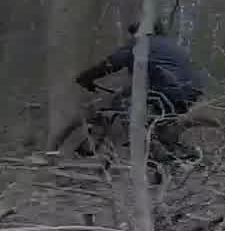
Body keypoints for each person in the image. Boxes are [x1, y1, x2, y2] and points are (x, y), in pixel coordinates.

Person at [70, 22, 209, 153]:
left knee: (123, 104)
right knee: (159, 124)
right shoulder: (171, 45)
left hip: (168, 88)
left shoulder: (141, 44)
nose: (133, 36)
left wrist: (85, 78)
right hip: (191, 91)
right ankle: (172, 154)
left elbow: (111, 63)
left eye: (135, 33)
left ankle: (144, 144)